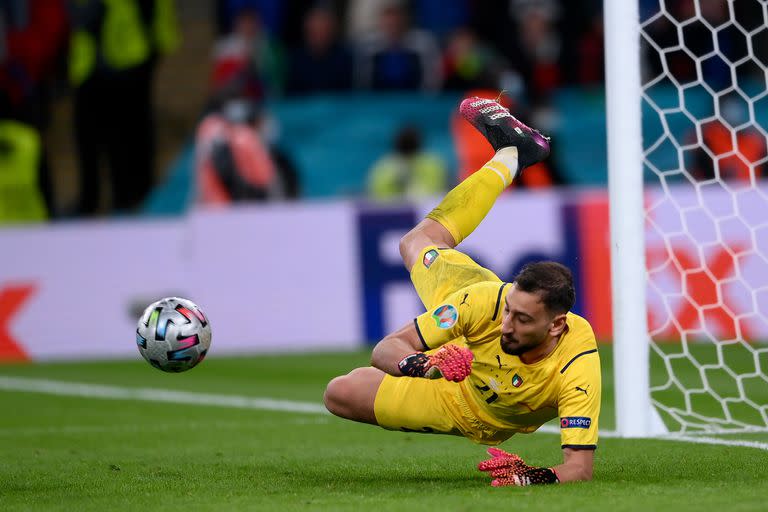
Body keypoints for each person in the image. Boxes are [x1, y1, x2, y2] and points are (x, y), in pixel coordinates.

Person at [324, 96, 601, 486]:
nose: (508, 325)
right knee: (415, 244)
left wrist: (533, 477)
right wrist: (423, 366)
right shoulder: (486, 304)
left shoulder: (577, 361)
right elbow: (386, 348)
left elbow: (579, 469)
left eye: (522, 320)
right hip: (452, 375)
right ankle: (512, 158)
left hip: (472, 409)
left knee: (342, 392)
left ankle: (513, 155)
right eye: (511, 311)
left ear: (556, 326)